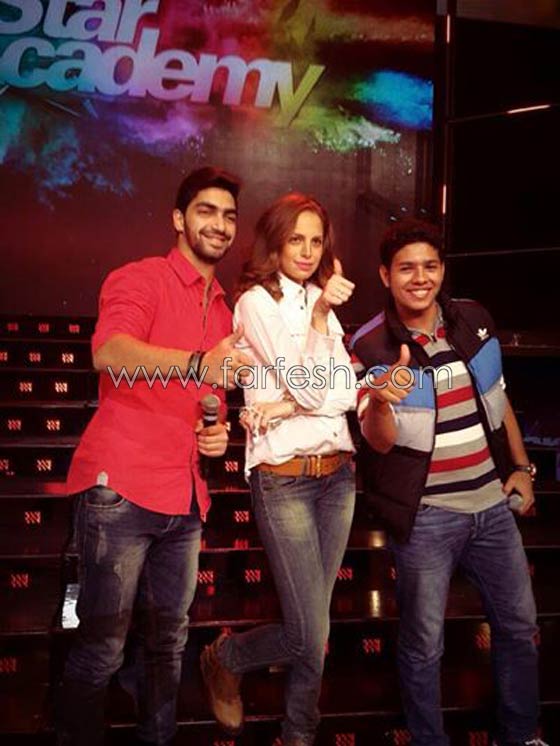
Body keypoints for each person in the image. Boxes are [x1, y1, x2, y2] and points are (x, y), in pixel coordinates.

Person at [57, 166, 252, 746]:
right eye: (206, 211)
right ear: (178, 219)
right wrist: (197, 364)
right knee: (102, 648)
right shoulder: (141, 278)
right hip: (121, 486)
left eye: (229, 216)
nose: (219, 224)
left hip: (185, 497)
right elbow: (110, 353)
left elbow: (210, 399)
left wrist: (217, 435)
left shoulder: (227, 312)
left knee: (169, 644)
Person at [351, 219, 545, 746]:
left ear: (442, 270)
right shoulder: (369, 344)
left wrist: (521, 469)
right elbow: (378, 443)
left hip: (492, 508)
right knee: (423, 646)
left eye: (430, 266)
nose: (420, 278)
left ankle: (520, 735)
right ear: (385, 275)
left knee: (519, 627)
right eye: (406, 268)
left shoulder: (473, 318)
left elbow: (499, 400)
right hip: (426, 519)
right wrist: (381, 401)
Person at [200, 193, 357, 746]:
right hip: (284, 478)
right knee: (307, 632)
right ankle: (228, 656)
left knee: (317, 628)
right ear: (275, 243)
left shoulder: (321, 298)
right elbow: (315, 388)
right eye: (296, 240)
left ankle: (298, 734)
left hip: (338, 474)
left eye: (316, 241)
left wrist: (286, 406)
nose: (308, 252)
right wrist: (317, 323)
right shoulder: (255, 304)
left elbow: (347, 392)